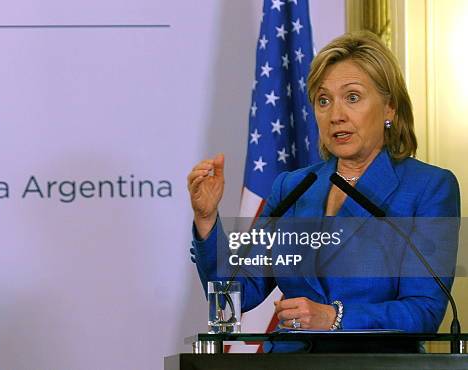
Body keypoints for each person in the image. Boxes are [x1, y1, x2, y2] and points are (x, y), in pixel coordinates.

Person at [187, 31, 460, 352]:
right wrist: (206, 220)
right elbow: (234, 297)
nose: (336, 115)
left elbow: (423, 311)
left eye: (353, 97)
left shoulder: (428, 188)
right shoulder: (292, 188)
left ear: (390, 108)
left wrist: (335, 317)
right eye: (324, 100)